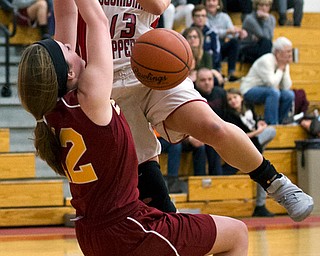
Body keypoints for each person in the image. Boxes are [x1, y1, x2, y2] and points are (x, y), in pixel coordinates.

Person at [17, 0, 250, 255]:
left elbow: (67, 12)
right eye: (66, 48)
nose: (72, 46)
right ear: (69, 73)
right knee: (237, 233)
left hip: (91, 233)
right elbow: (98, 20)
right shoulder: (92, 97)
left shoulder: (52, 112)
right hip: (129, 228)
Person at [74, 0, 313, 223]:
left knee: (211, 126)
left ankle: (276, 183)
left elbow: (157, 5)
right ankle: (172, 227)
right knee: (144, 169)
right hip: (103, 80)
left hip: (154, 67)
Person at [225, 88, 276, 217]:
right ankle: (260, 205)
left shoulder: (248, 109)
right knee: (262, 168)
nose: (233, 101)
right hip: (241, 145)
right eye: (229, 99)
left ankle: (258, 151)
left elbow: (252, 125)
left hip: (253, 141)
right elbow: (240, 136)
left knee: (271, 131)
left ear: (241, 97)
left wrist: (259, 124)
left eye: (235, 97)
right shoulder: (229, 116)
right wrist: (258, 131)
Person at [240, 37, 295, 125]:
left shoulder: (283, 62)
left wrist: (284, 69)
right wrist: (281, 69)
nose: (290, 54)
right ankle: (272, 124)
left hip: (266, 90)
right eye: (287, 51)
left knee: (289, 95)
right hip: (249, 90)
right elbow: (271, 84)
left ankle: (280, 123)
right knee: (273, 92)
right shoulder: (266, 60)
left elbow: (286, 86)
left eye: (290, 51)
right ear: (277, 52)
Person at [205, 0, 248, 82]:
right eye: (208, 1)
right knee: (215, 42)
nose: (211, 3)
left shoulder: (224, 16)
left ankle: (231, 73)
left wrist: (239, 33)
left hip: (223, 45)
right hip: (210, 46)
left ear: (218, 4)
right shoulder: (204, 17)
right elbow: (210, 32)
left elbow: (232, 32)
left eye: (213, 1)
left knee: (234, 42)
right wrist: (226, 32)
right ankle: (218, 71)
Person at [194, 68, 226, 175]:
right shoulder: (191, 94)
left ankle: (217, 178)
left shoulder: (221, 93)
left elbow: (227, 116)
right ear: (196, 81)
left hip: (216, 132)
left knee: (215, 143)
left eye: (210, 79)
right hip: (195, 132)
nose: (207, 83)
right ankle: (199, 179)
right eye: (203, 80)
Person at [190, 4, 225, 87]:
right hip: (192, 70)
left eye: (203, 16)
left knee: (216, 81)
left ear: (206, 17)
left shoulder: (212, 34)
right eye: (197, 16)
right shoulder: (187, 33)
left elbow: (217, 54)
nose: (200, 18)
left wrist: (214, 70)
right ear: (192, 17)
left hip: (210, 66)